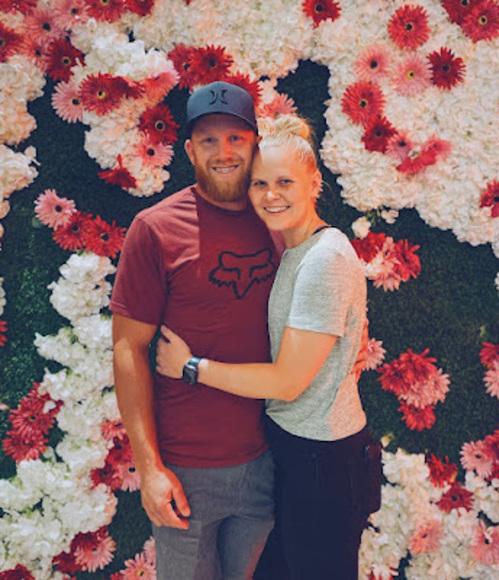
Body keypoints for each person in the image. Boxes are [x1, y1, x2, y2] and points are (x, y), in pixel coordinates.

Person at [156, 114, 382, 580]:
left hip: (324, 459)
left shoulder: (323, 258)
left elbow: (287, 382)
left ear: (314, 183)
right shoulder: (294, 250)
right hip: (297, 452)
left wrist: (191, 366)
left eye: (284, 182)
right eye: (259, 183)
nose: (270, 194)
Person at [110, 81, 280, 579]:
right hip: (187, 472)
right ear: (189, 150)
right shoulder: (155, 229)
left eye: (235, 138)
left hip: (269, 460)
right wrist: (149, 469)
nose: (223, 152)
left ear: (255, 144)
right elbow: (128, 348)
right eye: (208, 140)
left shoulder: (279, 219)